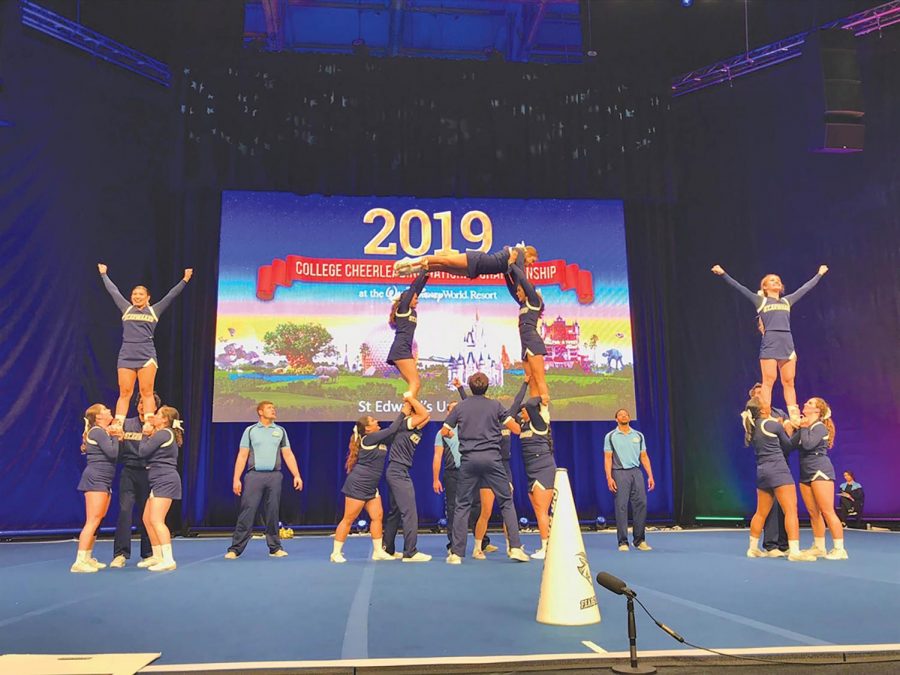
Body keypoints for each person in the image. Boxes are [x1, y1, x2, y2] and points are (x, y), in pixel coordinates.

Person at [711, 264, 827, 423]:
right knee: (769, 380)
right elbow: (740, 288)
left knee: (788, 381)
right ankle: (765, 414)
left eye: (778, 280)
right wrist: (723, 273)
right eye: (772, 281)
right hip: (770, 342)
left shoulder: (787, 301)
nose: (776, 282)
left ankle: (794, 416)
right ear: (764, 287)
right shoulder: (761, 301)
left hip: (787, 342)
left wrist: (819, 274)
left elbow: (805, 288)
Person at [441, 372, 529, 564]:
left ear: (470, 387)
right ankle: (515, 548)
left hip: (469, 460)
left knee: (462, 505)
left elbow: (445, 431)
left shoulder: (461, 407)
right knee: (506, 502)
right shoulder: (495, 405)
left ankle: (456, 554)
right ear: (487, 386)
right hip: (492, 459)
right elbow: (515, 429)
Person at [98, 263, 192, 424]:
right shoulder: (126, 309)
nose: (137, 296)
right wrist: (104, 274)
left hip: (146, 354)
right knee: (125, 392)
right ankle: (119, 425)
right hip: (127, 354)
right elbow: (113, 291)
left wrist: (185, 279)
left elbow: (170, 296)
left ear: (148, 298)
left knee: (146, 391)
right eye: (134, 294)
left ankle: (149, 424)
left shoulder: (154, 310)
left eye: (141, 294)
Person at [225, 401, 303, 560]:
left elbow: (288, 454)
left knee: (273, 512)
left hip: (274, 476)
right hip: (254, 476)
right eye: (269, 408)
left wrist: (297, 475)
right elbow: (242, 455)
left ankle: (275, 548)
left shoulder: (280, 431)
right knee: (247, 511)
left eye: (274, 407)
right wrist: (236, 479)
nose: (273, 410)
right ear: (260, 412)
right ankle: (235, 549)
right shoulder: (250, 431)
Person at [741, 398, 816, 562]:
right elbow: (788, 446)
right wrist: (801, 429)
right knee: (790, 510)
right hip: (778, 470)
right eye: (765, 403)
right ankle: (795, 551)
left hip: (762, 472)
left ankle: (752, 549)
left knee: (761, 512)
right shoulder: (772, 425)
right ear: (762, 410)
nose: (769, 403)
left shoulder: (752, 427)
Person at [331, 412, 404, 563]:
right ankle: (336, 553)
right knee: (348, 519)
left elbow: (395, 431)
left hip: (372, 487)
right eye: (372, 420)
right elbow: (392, 429)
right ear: (368, 429)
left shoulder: (380, 439)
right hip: (358, 485)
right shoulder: (369, 439)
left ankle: (377, 551)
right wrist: (403, 410)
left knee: (377, 517)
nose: (377, 421)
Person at [792, 397, 846, 560]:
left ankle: (839, 549)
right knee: (813, 512)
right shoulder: (806, 426)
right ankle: (820, 546)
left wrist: (803, 427)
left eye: (809, 403)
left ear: (817, 411)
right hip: (805, 471)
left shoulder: (820, 427)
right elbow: (791, 444)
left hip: (820, 471)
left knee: (827, 511)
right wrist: (792, 426)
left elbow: (808, 445)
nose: (805, 404)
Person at [110, 393, 160, 568]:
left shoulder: (158, 426)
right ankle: (120, 554)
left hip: (149, 473)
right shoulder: (127, 423)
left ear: (154, 407)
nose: (141, 406)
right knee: (125, 511)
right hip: (129, 472)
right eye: (139, 403)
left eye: (145, 403)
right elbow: (117, 447)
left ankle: (148, 553)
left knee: (148, 515)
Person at [71, 404, 122, 573]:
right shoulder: (98, 431)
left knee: (98, 520)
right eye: (106, 410)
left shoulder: (101, 432)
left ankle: (87, 557)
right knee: (92, 520)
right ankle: (79, 561)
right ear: (99, 417)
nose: (110, 411)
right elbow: (113, 453)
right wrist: (115, 435)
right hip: (96, 479)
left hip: (104, 480)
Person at [382, 394, 432, 562]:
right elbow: (423, 414)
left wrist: (412, 401)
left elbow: (426, 416)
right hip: (397, 471)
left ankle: (387, 549)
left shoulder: (413, 427)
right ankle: (410, 552)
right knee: (409, 512)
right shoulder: (405, 424)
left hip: (397, 471)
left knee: (395, 511)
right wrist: (410, 398)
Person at [138, 406, 184, 571]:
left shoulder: (164, 433)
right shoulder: (162, 433)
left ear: (165, 419)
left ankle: (168, 559)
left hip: (165, 479)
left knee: (157, 520)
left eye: (158, 414)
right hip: (157, 479)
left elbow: (143, 451)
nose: (154, 416)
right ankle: (157, 556)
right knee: (147, 519)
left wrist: (145, 433)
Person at [604, 409, 655, 552]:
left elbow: (644, 456)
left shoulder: (638, 435)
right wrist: (609, 477)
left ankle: (639, 540)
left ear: (629, 418)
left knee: (641, 504)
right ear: (616, 419)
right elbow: (607, 458)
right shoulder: (610, 436)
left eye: (626, 414)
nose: (624, 416)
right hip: (619, 473)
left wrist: (650, 475)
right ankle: (623, 542)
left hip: (636, 472)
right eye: (620, 415)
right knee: (621, 506)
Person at [748, 383, 789, 558]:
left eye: (762, 393)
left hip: (782, 461)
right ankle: (771, 544)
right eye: (756, 394)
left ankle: (784, 544)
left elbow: (788, 432)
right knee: (769, 507)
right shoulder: (753, 419)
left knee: (784, 506)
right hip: (769, 462)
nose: (760, 396)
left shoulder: (779, 413)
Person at [506, 248, 549, 405]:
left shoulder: (533, 300)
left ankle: (544, 414)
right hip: (524, 344)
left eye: (519, 291)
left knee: (539, 378)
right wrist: (505, 271)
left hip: (533, 342)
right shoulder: (522, 302)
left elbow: (523, 280)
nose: (517, 293)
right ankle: (533, 411)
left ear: (526, 290)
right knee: (530, 380)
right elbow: (512, 289)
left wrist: (513, 264)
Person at [517, 396, 557, 559]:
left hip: (543, 469)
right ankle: (548, 545)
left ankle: (546, 547)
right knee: (538, 511)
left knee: (542, 510)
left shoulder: (539, 424)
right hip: (530, 471)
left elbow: (531, 404)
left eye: (524, 411)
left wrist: (542, 397)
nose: (522, 412)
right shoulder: (523, 424)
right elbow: (510, 413)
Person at [387, 272, 429, 399]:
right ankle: (406, 414)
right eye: (415, 298)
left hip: (404, 349)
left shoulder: (411, 310)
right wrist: (423, 271)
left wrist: (427, 274)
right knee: (415, 383)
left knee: (414, 384)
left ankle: (407, 413)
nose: (418, 300)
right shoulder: (403, 309)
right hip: (401, 349)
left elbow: (417, 289)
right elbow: (413, 288)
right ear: (408, 299)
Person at [394, 245, 538, 278]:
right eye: (533, 260)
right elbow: (521, 275)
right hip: (477, 260)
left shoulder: (516, 257)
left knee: (442, 268)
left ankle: (412, 270)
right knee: (444, 261)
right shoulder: (518, 252)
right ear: (528, 253)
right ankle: (411, 260)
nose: (531, 264)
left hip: (476, 270)